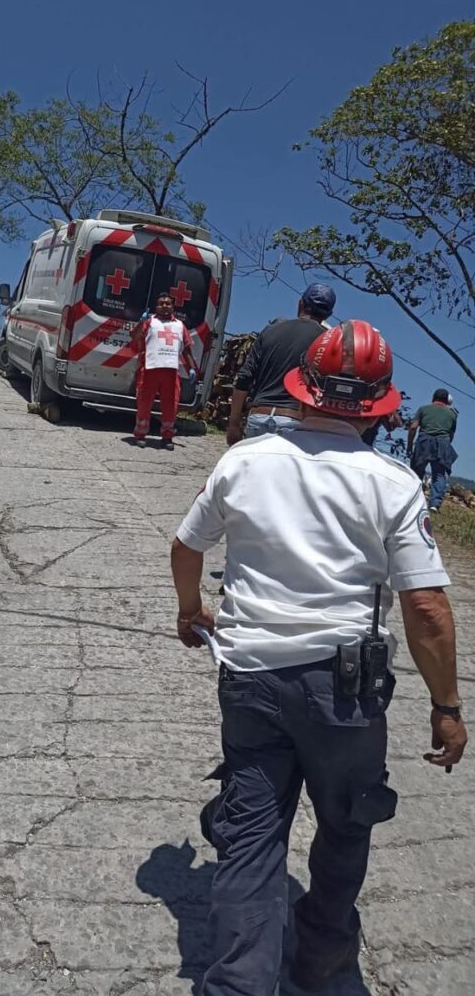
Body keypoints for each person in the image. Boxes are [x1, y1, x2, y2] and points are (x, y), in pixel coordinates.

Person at [170, 320, 466, 996]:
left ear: (301, 394)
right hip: (346, 691)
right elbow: (426, 609)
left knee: (251, 836)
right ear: (382, 407)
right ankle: (322, 956)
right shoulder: (393, 485)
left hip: (251, 681)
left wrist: (192, 611)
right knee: (346, 822)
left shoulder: (244, 460)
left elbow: (187, 547)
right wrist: (446, 707)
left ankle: (239, 983)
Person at [226, 283, 335, 445]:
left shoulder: (271, 330)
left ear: (300, 304)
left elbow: (244, 378)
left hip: (259, 417)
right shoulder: (328, 342)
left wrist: (233, 423)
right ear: (329, 314)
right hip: (295, 421)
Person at [130, 292, 200, 450]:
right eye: (161, 303)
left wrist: (191, 368)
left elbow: (186, 349)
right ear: (156, 306)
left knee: (170, 405)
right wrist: (141, 322)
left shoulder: (180, 326)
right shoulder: (149, 321)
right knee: (144, 402)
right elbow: (134, 336)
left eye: (167, 303)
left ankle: (167, 437)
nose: (164, 306)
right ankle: (140, 434)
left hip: (170, 371)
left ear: (173, 306)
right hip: (150, 369)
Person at [408, 389, 459, 513]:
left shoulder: (423, 409)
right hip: (443, 443)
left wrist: (410, 445)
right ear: (447, 401)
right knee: (439, 475)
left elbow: (413, 427)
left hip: (424, 442)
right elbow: (451, 435)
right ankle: (434, 504)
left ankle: (413, 499)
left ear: (433, 398)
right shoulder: (452, 415)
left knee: (416, 471)